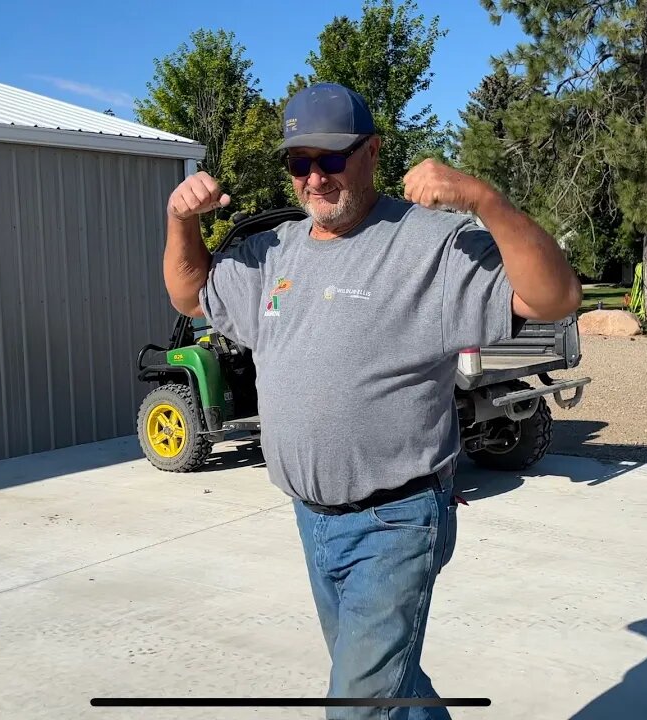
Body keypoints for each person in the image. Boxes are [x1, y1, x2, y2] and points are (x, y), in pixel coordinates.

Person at [161, 82, 582, 719]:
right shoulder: (276, 249)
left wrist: (485, 201)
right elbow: (191, 296)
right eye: (299, 164)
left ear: (372, 151)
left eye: (330, 159)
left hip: (398, 519)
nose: (314, 179)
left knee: (357, 705)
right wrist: (180, 220)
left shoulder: (430, 244)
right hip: (312, 518)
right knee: (393, 689)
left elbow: (555, 299)